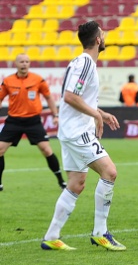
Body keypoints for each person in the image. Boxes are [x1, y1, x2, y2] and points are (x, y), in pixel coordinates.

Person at [41, 21, 124, 251]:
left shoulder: (82, 63)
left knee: (76, 184)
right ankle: (100, 233)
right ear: (97, 40)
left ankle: (51, 237)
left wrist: (100, 114)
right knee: (110, 172)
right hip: (78, 132)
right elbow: (70, 96)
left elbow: (78, 99)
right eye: (103, 34)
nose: (104, 37)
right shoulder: (86, 63)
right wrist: (96, 117)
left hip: (71, 131)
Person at [0, 54, 66, 192]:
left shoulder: (38, 80)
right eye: (21, 62)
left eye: (27, 61)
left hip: (33, 121)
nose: (24, 64)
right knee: (0, 150)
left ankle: (61, 181)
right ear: (16, 64)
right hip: (14, 121)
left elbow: (48, 97)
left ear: (29, 64)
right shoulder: (8, 81)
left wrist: (55, 115)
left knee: (46, 150)